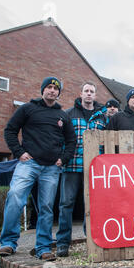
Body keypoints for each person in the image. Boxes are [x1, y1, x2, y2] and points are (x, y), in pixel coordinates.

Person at [0, 77, 76, 261]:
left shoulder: (62, 116)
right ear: (43, 90)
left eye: (55, 89)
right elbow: (10, 130)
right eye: (48, 87)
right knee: (15, 196)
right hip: (28, 164)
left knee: (47, 207)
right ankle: (8, 242)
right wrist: (19, 152)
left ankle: (43, 247)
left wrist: (62, 159)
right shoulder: (27, 109)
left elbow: (71, 140)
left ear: (58, 93)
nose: (52, 91)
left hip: (51, 168)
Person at [56, 82, 103, 257]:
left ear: (95, 96)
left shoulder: (101, 117)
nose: (89, 94)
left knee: (92, 205)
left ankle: (90, 239)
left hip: (94, 168)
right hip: (72, 166)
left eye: (92, 91)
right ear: (81, 94)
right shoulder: (68, 114)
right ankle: (62, 243)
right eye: (86, 91)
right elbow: (61, 138)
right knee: (66, 203)